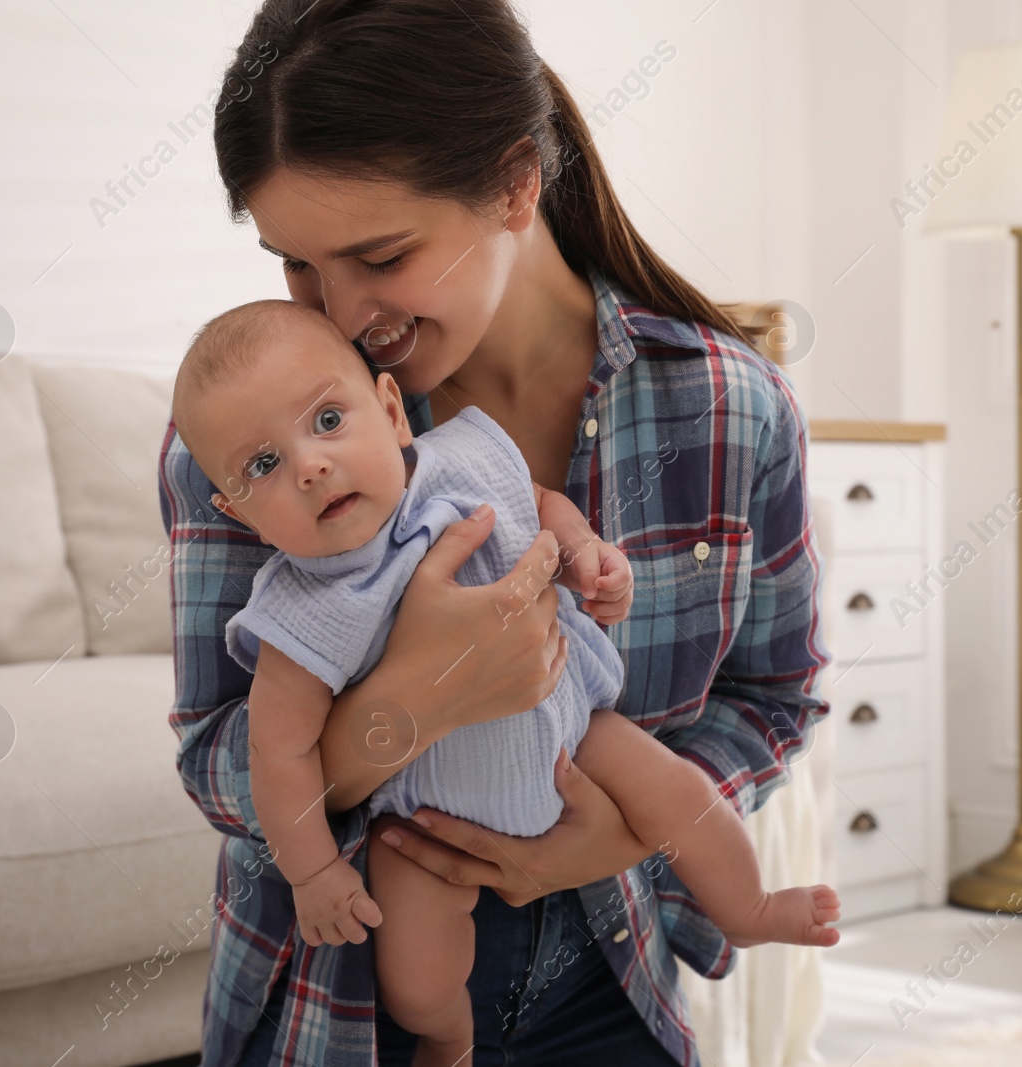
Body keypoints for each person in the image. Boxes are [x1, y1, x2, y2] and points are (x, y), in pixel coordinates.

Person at [157, 0, 834, 1062]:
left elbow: (773, 695)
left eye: (377, 253)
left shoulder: (729, 406)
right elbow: (216, 760)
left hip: (618, 985)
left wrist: (630, 828)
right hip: (340, 1006)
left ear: (517, 184)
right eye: (295, 263)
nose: (336, 314)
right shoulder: (259, 443)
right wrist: (412, 698)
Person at [168, 300, 842, 1067]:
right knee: (415, 965)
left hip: (575, 736)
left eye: (327, 421)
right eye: (264, 466)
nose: (310, 465)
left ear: (390, 411)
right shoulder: (300, 609)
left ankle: (747, 908)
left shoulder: (463, 461)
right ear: (237, 513)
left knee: (681, 794)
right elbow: (275, 751)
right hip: (425, 822)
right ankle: (447, 1034)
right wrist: (315, 870)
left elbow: (539, 506)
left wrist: (585, 552)